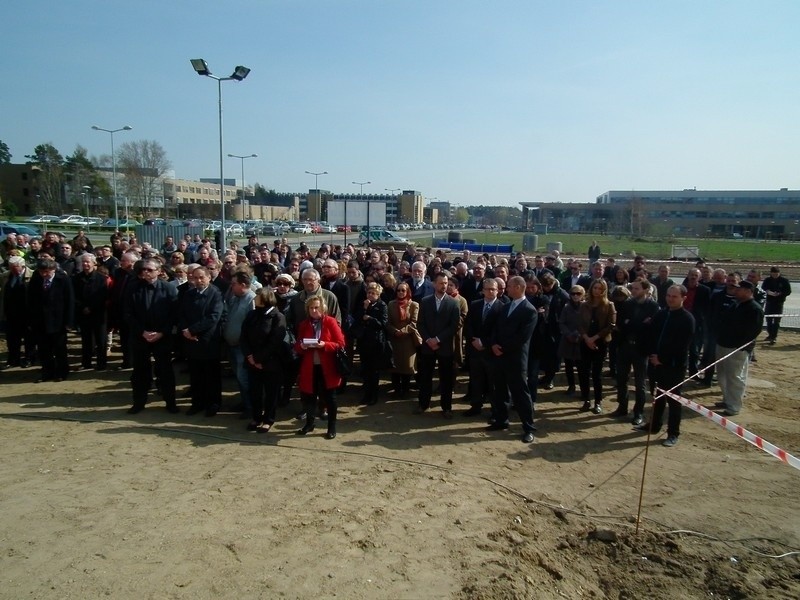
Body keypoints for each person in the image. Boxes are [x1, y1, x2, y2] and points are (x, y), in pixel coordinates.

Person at [636, 285, 695, 447]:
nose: (670, 298)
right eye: (668, 295)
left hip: (674, 366)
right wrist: (652, 355)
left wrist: (662, 359)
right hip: (656, 363)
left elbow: (681, 345)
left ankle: (673, 433)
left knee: (674, 400)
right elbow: (652, 335)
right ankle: (654, 425)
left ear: (683, 298)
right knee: (658, 396)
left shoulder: (687, 319)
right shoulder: (661, 314)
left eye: (674, 296)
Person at [124, 258, 179, 414]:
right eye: (143, 270)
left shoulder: (169, 289)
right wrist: (142, 332)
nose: (145, 272)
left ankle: (170, 402)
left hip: (162, 337)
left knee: (165, 371)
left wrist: (161, 332)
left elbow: (174, 315)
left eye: (149, 270)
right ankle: (139, 402)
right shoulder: (133, 288)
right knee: (140, 372)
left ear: (159, 271)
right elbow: (128, 314)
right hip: (140, 336)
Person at [488, 276, 537, 443]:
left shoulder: (529, 310)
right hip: (499, 356)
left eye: (508, 286)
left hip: (515, 358)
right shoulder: (506, 306)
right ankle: (502, 420)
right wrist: (494, 343)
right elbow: (496, 328)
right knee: (500, 390)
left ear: (517, 287)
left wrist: (503, 348)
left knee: (520, 393)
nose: (506, 289)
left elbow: (522, 337)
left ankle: (528, 427)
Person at [294, 296, 346, 439]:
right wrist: (302, 346)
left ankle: (331, 427)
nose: (314, 310)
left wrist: (325, 345)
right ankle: (309, 423)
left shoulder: (330, 321)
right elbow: (297, 345)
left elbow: (340, 343)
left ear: (323, 308)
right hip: (309, 367)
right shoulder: (304, 324)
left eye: (317, 307)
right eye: (311, 308)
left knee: (330, 398)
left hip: (327, 366)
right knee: (309, 397)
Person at [611, 279, 659, 424]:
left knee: (640, 383)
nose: (633, 291)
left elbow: (651, 328)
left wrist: (631, 323)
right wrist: (640, 323)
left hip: (641, 349)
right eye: (633, 288)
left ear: (645, 290)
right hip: (625, 346)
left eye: (637, 289)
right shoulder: (627, 304)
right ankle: (622, 407)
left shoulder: (653, 306)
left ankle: (638, 412)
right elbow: (621, 324)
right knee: (621, 379)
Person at [240, 288, 288, 433]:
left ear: (265, 298)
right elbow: (243, 337)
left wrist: (259, 358)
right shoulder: (252, 315)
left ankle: (268, 419)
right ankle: (256, 417)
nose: (254, 299)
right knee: (254, 391)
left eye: (258, 296)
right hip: (252, 361)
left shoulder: (278, 317)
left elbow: (275, 341)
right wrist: (250, 357)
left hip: (271, 363)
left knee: (271, 393)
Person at [178, 267, 224, 416]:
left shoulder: (215, 294)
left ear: (209, 277)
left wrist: (193, 330)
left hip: (208, 341)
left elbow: (213, 317)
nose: (198, 281)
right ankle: (197, 403)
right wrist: (186, 330)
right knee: (195, 375)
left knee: (211, 376)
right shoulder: (188, 294)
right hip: (191, 342)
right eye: (195, 278)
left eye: (201, 278)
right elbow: (182, 314)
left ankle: (213, 404)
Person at [714, 280, 765, 416]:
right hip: (723, 344)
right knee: (722, 375)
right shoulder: (736, 305)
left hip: (737, 348)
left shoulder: (754, 309)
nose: (736, 291)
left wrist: (741, 346)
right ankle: (727, 399)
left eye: (739, 289)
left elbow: (753, 331)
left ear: (748, 292)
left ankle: (734, 405)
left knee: (735, 377)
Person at [415, 272, 461, 418]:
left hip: (445, 346)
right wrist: (428, 339)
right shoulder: (425, 301)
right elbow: (420, 323)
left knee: (446, 379)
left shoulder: (454, 303)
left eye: (446, 283)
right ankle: (423, 404)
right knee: (425, 377)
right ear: (434, 284)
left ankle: (446, 407)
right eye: (441, 283)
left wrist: (438, 339)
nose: (444, 286)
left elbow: (454, 326)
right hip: (428, 347)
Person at [28, 258, 74, 382]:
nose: (44, 274)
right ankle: (47, 372)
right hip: (40, 320)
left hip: (58, 321)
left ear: (53, 270)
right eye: (41, 272)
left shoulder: (63, 280)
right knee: (44, 349)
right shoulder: (36, 279)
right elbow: (31, 301)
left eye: (47, 272)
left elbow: (69, 301)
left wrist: (69, 322)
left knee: (59, 349)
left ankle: (62, 372)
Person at [576, 279, 616, 414]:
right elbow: (579, 324)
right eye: (595, 288)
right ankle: (586, 399)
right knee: (583, 372)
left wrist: (595, 338)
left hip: (600, 341)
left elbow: (611, 325)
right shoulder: (584, 305)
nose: (597, 291)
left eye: (600, 288)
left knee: (597, 374)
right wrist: (587, 338)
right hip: (585, 341)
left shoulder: (609, 305)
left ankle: (598, 401)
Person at [222, 271, 256, 418]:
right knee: (239, 378)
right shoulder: (235, 298)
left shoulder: (252, 300)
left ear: (243, 285)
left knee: (245, 379)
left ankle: (251, 408)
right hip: (232, 346)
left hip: (243, 348)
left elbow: (254, 326)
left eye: (234, 284)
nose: (231, 286)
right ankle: (244, 402)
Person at [353, 282, 389, 406]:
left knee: (374, 371)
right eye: (369, 292)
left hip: (376, 342)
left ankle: (373, 396)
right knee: (366, 370)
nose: (371, 295)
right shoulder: (364, 304)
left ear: (378, 294)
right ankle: (366, 394)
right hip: (364, 341)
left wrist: (370, 318)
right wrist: (364, 308)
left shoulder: (382, 305)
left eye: (373, 293)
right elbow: (357, 318)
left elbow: (383, 324)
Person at [72, 253, 110, 371]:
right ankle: (86, 362)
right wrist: (83, 307)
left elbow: (103, 296)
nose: (85, 264)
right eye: (83, 262)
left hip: (99, 313)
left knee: (101, 340)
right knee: (86, 339)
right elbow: (74, 296)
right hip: (83, 313)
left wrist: (91, 307)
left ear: (94, 263)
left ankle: (101, 363)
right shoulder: (76, 278)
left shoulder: (102, 279)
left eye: (88, 262)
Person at [386, 281, 421, 396]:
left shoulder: (414, 305)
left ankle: (405, 390)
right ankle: (396, 389)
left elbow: (414, 322)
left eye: (403, 290)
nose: (400, 292)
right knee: (395, 366)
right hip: (394, 339)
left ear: (408, 292)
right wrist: (395, 331)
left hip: (408, 340)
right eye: (398, 290)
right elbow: (387, 322)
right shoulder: (391, 304)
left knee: (407, 366)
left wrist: (403, 331)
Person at [761, 266, 792, 345]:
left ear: (779, 273)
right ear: (771, 273)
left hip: (779, 303)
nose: (774, 275)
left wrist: (780, 293)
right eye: (773, 274)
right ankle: (770, 334)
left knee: (776, 321)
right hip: (769, 302)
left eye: (776, 274)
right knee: (769, 320)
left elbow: (788, 291)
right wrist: (768, 292)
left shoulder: (784, 281)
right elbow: (763, 287)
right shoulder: (768, 280)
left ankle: (774, 337)